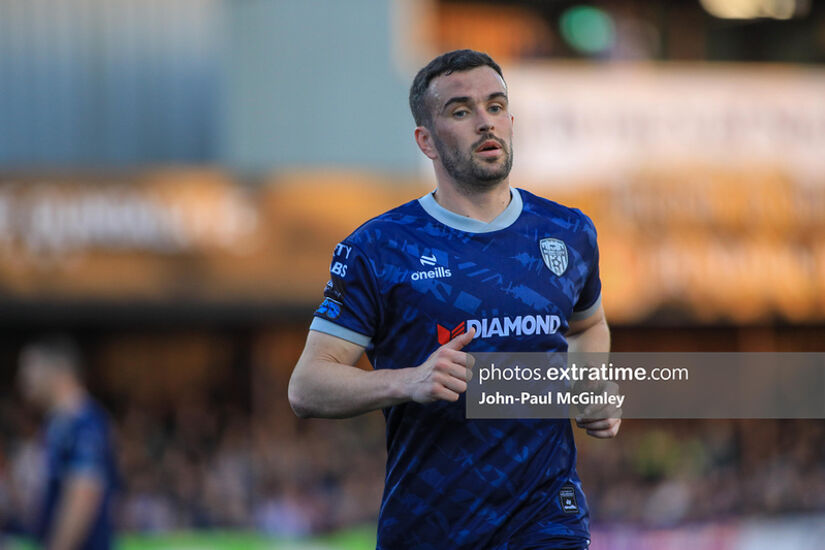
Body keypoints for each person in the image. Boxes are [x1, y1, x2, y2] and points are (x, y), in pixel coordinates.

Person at [288, 49, 619, 549]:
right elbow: (307, 387)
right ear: (426, 140)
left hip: (549, 518)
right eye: (461, 111)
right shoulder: (378, 248)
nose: (485, 122)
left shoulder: (568, 231)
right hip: (430, 527)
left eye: (495, 105)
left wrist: (591, 382)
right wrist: (408, 380)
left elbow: (588, 325)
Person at [18, 336, 117, 550]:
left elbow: (83, 495)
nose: (23, 379)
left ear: (58, 372)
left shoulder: (86, 423)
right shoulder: (55, 424)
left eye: (30, 370)